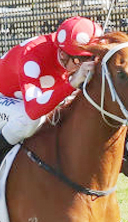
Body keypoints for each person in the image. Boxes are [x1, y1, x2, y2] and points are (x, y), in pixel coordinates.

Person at [0, 16, 102, 159]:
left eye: (91, 59)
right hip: (5, 97)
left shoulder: (68, 53)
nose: (83, 66)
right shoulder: (32, 55)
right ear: (62, 53)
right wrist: (72, 84)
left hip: (24, 99)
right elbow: (33, 111)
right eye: (80, 60)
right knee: (32, 120)